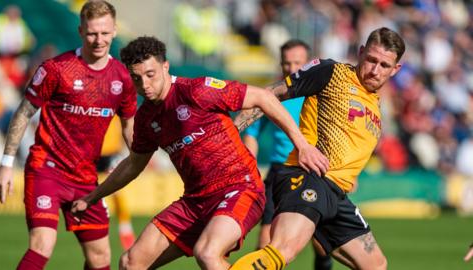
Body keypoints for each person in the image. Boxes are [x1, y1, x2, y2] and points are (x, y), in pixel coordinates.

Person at [71, 35, 328, 270]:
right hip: (195, 202)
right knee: (130, 262)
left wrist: (302, 146)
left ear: (165, 67)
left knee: (207, 252)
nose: (145, 85)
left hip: (239, 188)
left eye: (150, 75)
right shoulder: (146, 119)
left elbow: (263, 97)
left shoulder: (196, 90)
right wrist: (93, 197)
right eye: (137, 78)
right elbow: (133, 165)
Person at [230, 27, 404, 270]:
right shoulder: (332, 72)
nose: (375, 70)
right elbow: (270, 95)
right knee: (281, 251)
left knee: (376, 265)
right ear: (361, 52)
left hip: (336, 193)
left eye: (384, 65)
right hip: (308, 177)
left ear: (396, 69)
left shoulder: (374, 104)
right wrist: (230, 131)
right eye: (371, 60)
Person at [0, 1, 137, 269]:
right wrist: (5, 164)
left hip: (85, 178)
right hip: (46, 169)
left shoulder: (122, 78)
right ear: (80, 30)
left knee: (100, 257)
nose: (99, 40)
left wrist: (140, 158)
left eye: (105, 33)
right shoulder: (56, 69)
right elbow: (23, 112)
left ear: (115, 31)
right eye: (92, 33)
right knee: (42, 245)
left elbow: (129, 126)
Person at [243, 39, 332, 270]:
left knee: (321, 243)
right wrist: (249, 167)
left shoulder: (321, 95)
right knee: (266, 244)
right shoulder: (271, 95)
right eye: (286, 63)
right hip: (279, 171)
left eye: (297, 63)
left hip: (314, 171)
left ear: (309, 63)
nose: (292, 69)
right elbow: (251, 133)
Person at [97, 115, 135, 251]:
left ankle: (125, 227)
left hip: (111, 152)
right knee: (84, 188)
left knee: (117, 189)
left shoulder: (117, 99)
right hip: (92, 150)